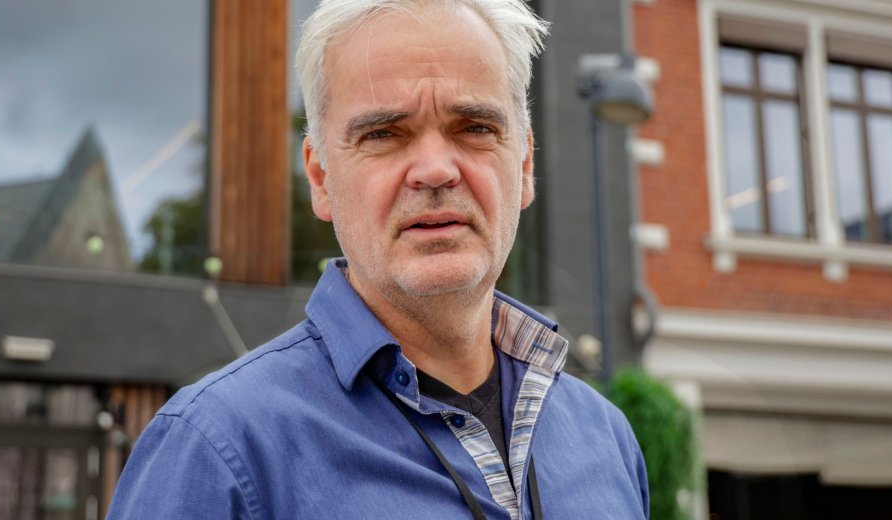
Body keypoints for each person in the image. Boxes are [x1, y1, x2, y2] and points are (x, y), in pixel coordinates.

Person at [107, 0, 650, 518]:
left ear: (525, 163)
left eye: (475, 128)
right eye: (384, 134)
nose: (435, 170)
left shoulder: (604, 437)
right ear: (320, 178)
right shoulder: (215, 448)